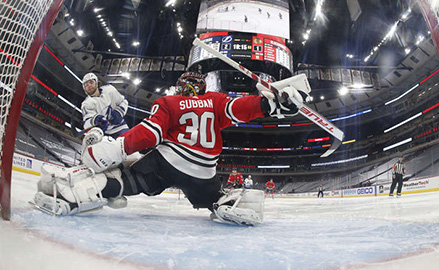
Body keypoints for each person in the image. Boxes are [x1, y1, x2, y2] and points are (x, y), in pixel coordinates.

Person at [33, 71, 309, 226]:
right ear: (201, 88)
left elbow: (150, 134)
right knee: (212, 197)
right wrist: (270, 104)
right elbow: (242, 108)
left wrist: (118, 146)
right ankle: (224, 202)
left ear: (180, 87)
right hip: (204, 172)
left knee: (129, 178)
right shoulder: (214, 100)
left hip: (168, 161)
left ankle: (77, 193)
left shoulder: (170, 102)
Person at [81, 73, 129, 139]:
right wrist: (95, 120)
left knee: (130, 146)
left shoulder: (110, 90)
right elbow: (87, 121)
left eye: (91, 82)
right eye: (86, 84)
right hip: (104, 133)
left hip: (120, 127)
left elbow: (123, 101)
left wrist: (119, 112)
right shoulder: (86, 104)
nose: (89, 85)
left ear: (97, 83)